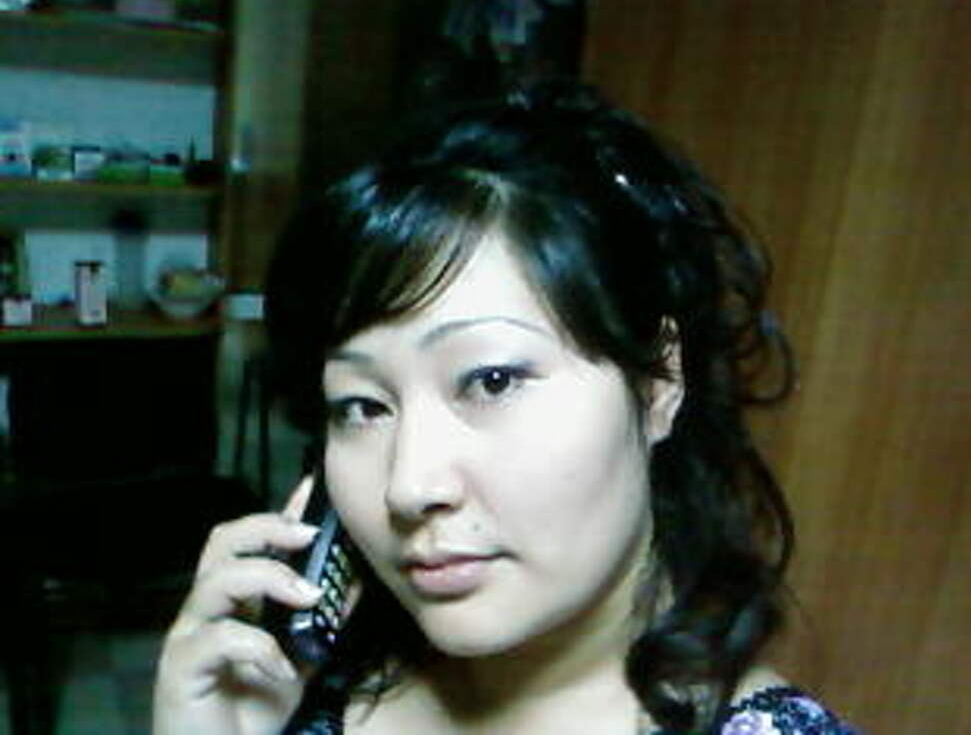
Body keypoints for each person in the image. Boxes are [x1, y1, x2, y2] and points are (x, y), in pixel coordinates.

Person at [153, 82, 858, 734]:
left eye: (492, 381)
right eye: (362, 407)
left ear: (658, 382)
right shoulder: (305, 687)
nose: (409, 487)